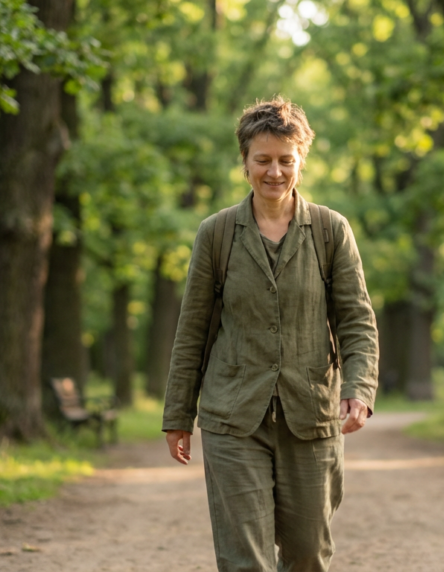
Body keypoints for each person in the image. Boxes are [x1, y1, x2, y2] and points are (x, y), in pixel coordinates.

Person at [162, 96, 379, 572]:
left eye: (286, 160)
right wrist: (177, 413)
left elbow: (357, 321)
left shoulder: (330, 231)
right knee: (245, 560)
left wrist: (359, 389)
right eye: (263, 160)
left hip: (311, 416)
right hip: (232, 416)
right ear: (245, 163)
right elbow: (193, 330)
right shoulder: (216, 233)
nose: (274, 172)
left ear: (301, 161)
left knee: (307, 555)